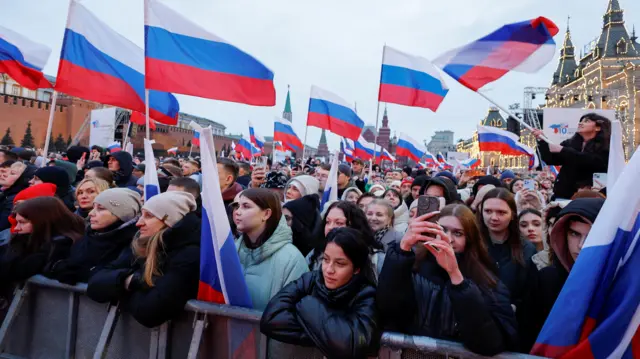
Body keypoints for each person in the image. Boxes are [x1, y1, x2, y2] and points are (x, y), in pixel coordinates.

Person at [377, 204, 518, 355]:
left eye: (458, 233)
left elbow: (491, 343)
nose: (448, 239)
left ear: (469, 239)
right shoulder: (412, 267)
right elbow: (388, 313)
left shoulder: (487, 281)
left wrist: (455, 275)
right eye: (442, 230)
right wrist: (402, 249)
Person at [260, 228, 380, 359]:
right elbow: (271, 318)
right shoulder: (309, 280)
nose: (329, 270)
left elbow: (350, 347)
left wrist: (307, 305)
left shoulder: (367, 296)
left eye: (340, 264)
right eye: (326, 259)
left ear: (356, 268)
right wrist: (329, 337)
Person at [87, 191, 200, 328]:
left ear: (169, 220)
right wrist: (128, 281)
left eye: (149, 216)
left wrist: (118, 292)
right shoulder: (141, 244)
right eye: (141, 215)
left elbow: (149, 312)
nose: (139, 223)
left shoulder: (190, 255)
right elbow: (94, 284)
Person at [45, 188, 142, 284]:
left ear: (123, 213)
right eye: (93, 207)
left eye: (101, 208)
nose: (91, 213)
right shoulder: (88, 235)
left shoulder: (134, 245)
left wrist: (79, 274)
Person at [233, 189, 308, 310]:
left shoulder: (291, 259)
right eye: (237, 206)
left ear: (266, 214)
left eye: (246, 206)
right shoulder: (232, 250)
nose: (237, 212)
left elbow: (292, 312)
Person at [0, 197, 85, 296]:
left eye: (22, 222)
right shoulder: (28, 241)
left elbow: (15, 269)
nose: (17, 228)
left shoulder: (60, 246)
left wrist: (17, 244)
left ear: (42, 222)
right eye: (17, 222)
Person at [476, 188, 537, 313]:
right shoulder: (471, 244)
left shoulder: (526, 249)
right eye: (488, 211)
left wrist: (514, 308)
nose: (493, 217)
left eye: (501, 212)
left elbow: (531, 293)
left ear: (513, 215)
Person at [533, 113, 611, 200]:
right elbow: (550, 159)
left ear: (598, 127)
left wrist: (563, 150)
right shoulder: (570, 143)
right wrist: (542, 141)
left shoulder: (606, 146)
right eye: (580, 121)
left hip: (591, 196)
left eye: (586, 121)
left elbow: (593, 161)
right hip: (563, 195)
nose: (580, 123)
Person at [0, 162, 36, 231]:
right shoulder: (6, 193)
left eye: (12, 173)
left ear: (23, 179)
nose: (4, 174)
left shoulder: (15, 199)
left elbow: (2, 225)